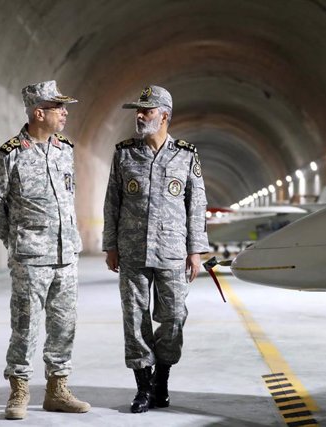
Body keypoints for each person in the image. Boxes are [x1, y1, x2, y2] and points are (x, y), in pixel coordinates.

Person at [0, 80, 90, 420]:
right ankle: (19, 390)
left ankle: (57, 389)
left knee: (64, 325)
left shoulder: (65, 149)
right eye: (58, 107)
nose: (65, 112)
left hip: (66, 255)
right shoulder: (10, 154)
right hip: (31, 257)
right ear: (38, 112)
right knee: (26, 325)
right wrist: (16, 242)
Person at [102, 85, 209, 413]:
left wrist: (196, 251)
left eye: (146, 110)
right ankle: (143, 388)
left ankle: (162, 380)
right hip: (132, 250)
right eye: (138, 110)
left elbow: (196, 204)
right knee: (134, 318)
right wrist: (110, 246)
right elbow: (112, 202)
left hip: (173, 251)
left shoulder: (186, 155)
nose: (139, 115)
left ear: (164, 114)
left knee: (174, 316)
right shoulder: (124, 153)